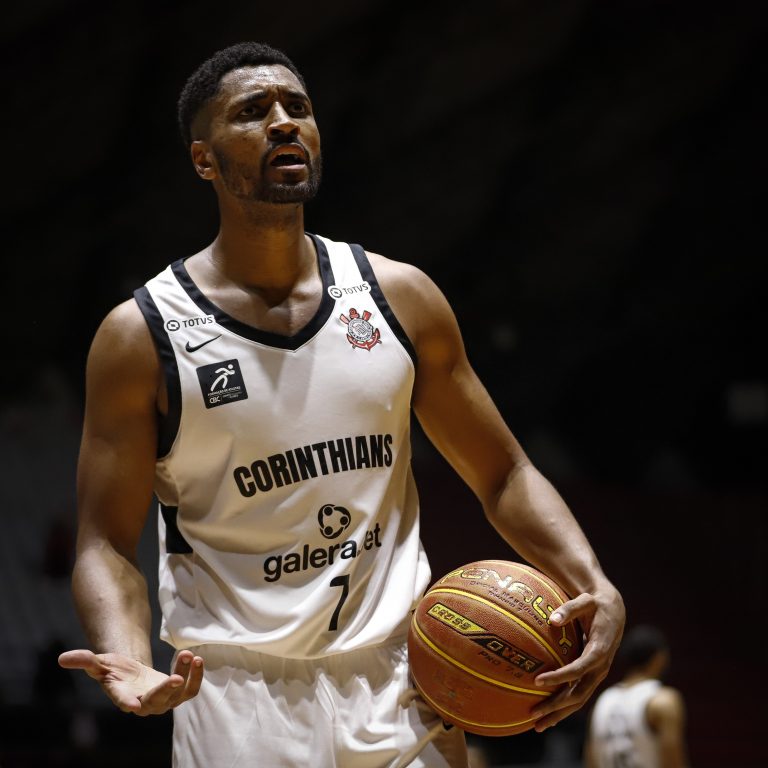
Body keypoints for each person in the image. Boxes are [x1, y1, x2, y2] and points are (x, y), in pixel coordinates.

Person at [58, 42, 625, 767]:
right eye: (253, 112)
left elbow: (503, 473)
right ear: (204, 160)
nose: (284, 122)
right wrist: (127, 654)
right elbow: (105, 542)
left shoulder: (399, 297)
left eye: (298, 106)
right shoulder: (141, 337)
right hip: (235, 695)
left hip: (402, 680)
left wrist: (591, 582)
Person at [585, 625, 688, 768]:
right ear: (659, 658)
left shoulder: (602, 702)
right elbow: (673, 763)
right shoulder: (663, 700)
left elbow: (591, 761)